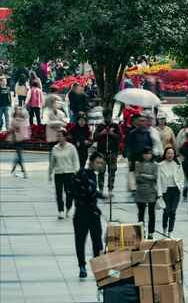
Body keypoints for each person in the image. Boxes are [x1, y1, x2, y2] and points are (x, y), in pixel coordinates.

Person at [71, 151, 108, 279]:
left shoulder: (92, 175)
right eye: (98, 162)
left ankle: (99, 267)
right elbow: (89, 191)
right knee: (80, 241)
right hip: (82, 213)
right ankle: (82, 266)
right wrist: (102, 195)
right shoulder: (82, 174)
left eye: (101, 163)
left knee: (97, 240)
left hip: (92, 213)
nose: (99, 165)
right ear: (91, 161)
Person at [49, 130, 80, 219]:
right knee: (59, 193)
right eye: (57, 136)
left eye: (60, 136)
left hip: (69, 173)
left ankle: (68, 207)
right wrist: (50, 173)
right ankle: (61, 211)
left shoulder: (71, 147)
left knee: (69, 193)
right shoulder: (55, 148)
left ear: (65, 137)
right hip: (58, 173)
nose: (59, 138)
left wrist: (76, 171)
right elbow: (52, 162)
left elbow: (75, 160)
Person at [158, 147, 184, 237]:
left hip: (175, 190)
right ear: (165, 154)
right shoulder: (160, 165)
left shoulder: (177, 164)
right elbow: (158, 180)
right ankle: (164, 228)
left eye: (172, 153)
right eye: (168, 153)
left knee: (173, 211)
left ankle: (170, 231)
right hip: (165, 191)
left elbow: (181, 177)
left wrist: (181, 186)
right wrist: (159, 193)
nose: (170, 155)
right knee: (166, 211)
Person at [94, 109, 121, 192]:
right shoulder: (100, 126)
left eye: (109, 117)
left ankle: (110, 189)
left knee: (112, 171)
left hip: (112, 152)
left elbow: (120, 137)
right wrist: (102, 133)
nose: (108, 118)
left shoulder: (115, 126)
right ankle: (101, 189)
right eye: (106, 117)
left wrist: (112, 134)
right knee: (101, 171)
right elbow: (95, 137)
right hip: (101, 152)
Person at [135, 147, 159, 239]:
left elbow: (155, 177)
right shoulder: (138, 164)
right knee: (141, 213)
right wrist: (149, 177)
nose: (147, 155)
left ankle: (151, 232)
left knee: (151, 213)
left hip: (151, 190)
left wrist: (144, 175)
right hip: (140, 190)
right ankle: (141, 230)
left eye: (149, 153)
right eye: (145, 153)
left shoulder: (155, 165)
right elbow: (137, 178)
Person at [126, 114, 153, 180]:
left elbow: (150, 145)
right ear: (138, 122)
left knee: (145, 176)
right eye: (140, 121)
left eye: (144, 121)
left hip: (145, 158)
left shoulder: (148, 133)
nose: (142, 122)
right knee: (135, 176)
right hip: (135, 158)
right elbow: (128, 146)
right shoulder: (132, 133)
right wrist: (129, 159)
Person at [8, 106, 29, 178]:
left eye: (20, 109)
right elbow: (11, 129)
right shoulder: (14, 120)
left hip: (22, 139)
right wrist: (14, 128)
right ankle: (24, 171)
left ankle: (13, 169)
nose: (19, 110)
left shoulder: (23, 119)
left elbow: (26, 128)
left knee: (18, 155)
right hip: (16, 140)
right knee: (19, 155)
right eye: (17, 109)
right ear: (15, 111)